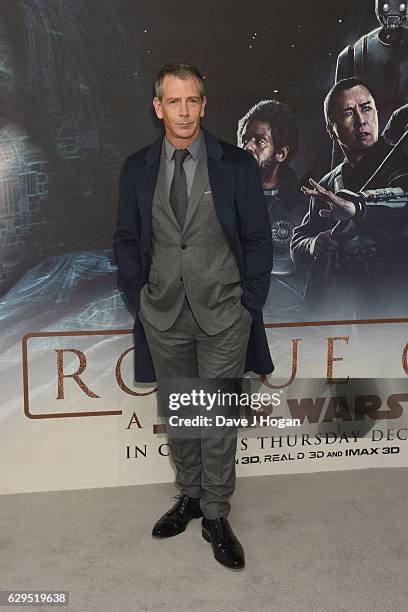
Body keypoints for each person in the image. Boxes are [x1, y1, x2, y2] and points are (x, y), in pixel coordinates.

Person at [114, 62, 273, 569]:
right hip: (162, 313)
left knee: (217, 419)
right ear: (157, 107)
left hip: (225, 312)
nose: (184, 112)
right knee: (182, 414)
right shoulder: (136, 168)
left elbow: (256, 239)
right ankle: (188, 496)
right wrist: (137, 297)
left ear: (204, 105)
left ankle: (216, 513)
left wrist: (249, 304)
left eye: (193, 101)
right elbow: (126, 240)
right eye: (173, 101)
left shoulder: (236, 165)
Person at [291, 77, 408, 320]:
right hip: (351, 314)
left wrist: (358, 206)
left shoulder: (401, 160)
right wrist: (315, 244)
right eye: (348, 113)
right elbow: (298, 241)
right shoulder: (327, 185)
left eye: (366, 108)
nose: (361, 120)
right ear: (331, 129)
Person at [237, 100, 307, 320]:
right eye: (244, 140)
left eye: (259, 141)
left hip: (286, 321)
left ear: (281, 154)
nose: (248, 147)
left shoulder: (303, 204)